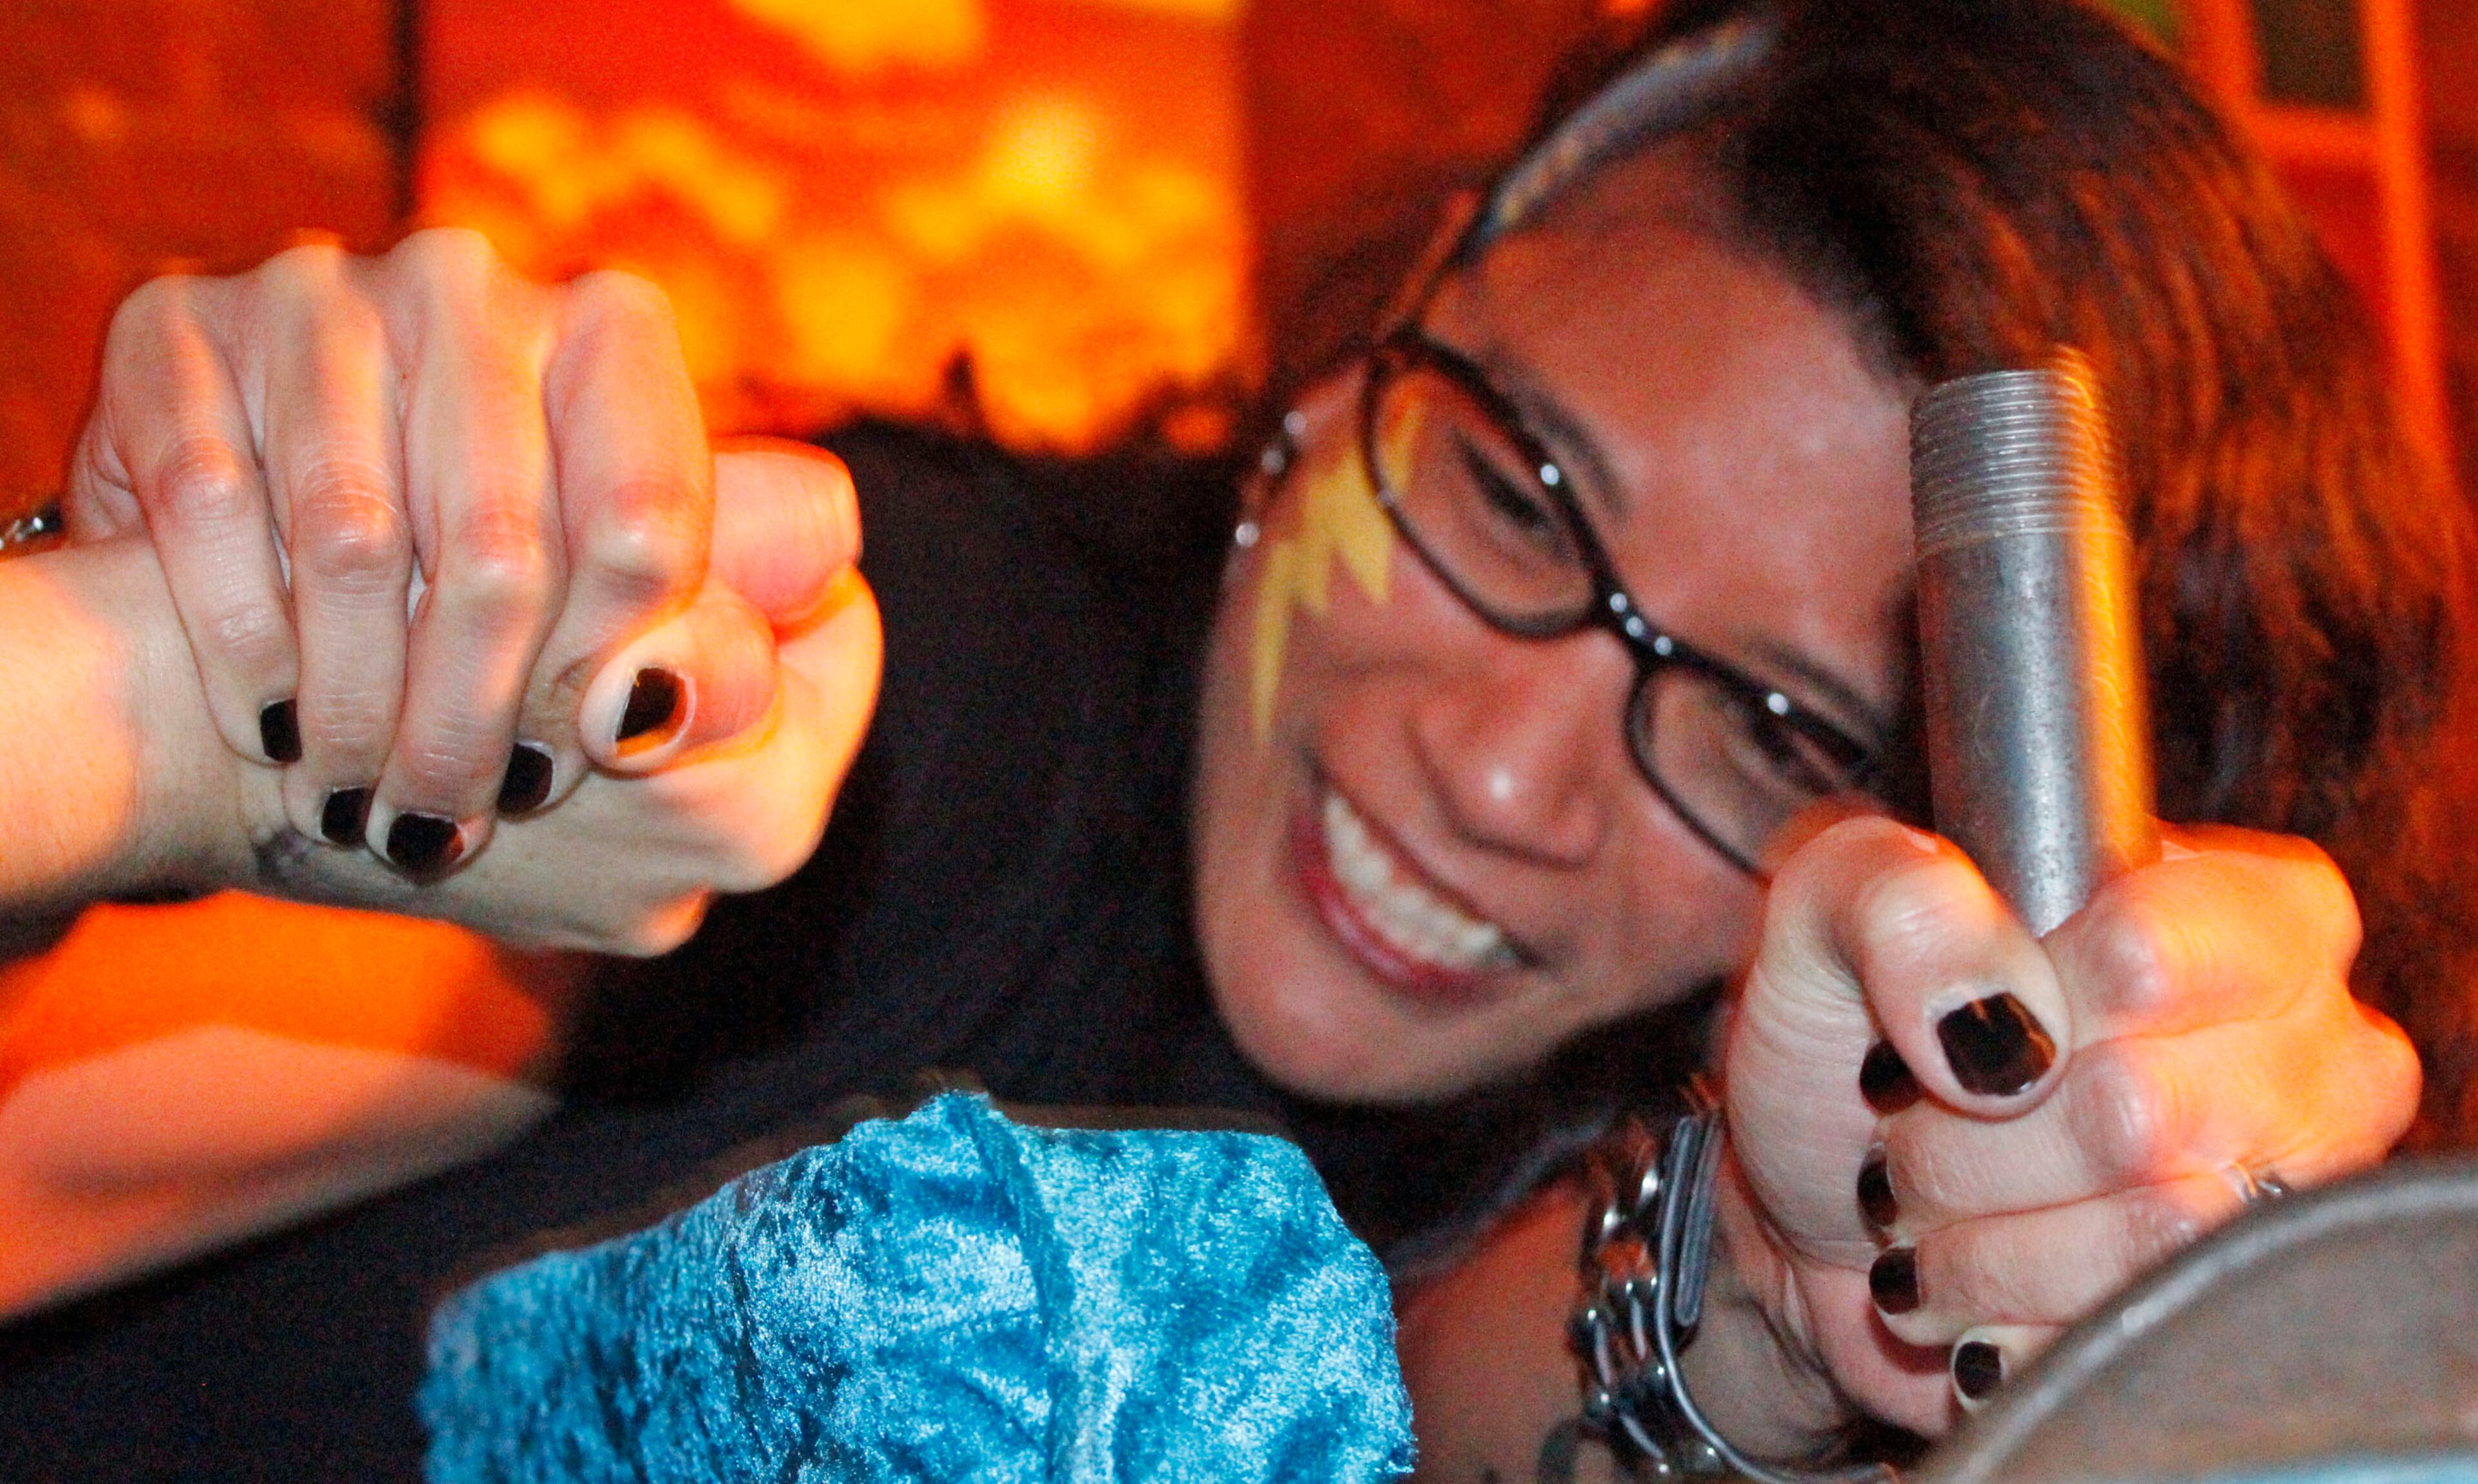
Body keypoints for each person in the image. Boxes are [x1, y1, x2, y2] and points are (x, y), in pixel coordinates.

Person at [0, 0, 2467, 1478]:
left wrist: (1820, 1279)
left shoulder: (1627, 1155)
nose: (1499, 769)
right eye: (1513, 489)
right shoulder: (928, 706)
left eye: (1768, 729)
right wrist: (140, 701)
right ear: (1375, 337)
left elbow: (1456, 1366)